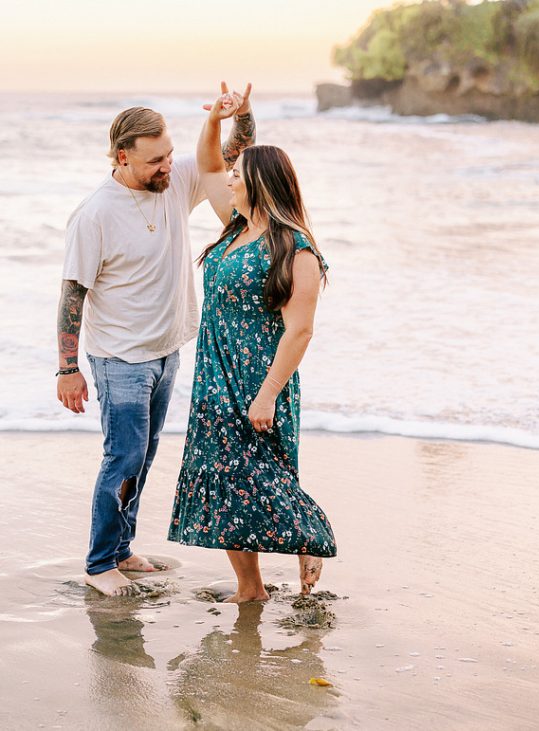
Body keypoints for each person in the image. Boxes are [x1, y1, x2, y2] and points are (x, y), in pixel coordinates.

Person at [57, 85, 256, 597]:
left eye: (169, 154)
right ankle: (99, 562)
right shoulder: (95, 213)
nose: (168, 166)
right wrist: (67, 368)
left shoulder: (175, 179)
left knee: (142, 458)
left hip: (168, 351)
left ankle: (122, 550)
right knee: (122, 458)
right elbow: (72, 294)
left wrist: (242, 116)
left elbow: (232, 157)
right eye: (154, 161)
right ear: (122, 157)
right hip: (121, 359)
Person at [166, 91, 337, 602]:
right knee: (223, 481)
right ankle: (251, 589)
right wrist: (225, 119)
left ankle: (311, 537)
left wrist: (266, 396)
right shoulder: (235, 228)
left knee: (258, 475)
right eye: (233, 173)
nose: (229, 178)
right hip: (214, 373)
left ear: (261, 183)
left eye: (240, 174)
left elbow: (299, 331)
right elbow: (207, 161)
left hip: (260, 379)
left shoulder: (293, 247)